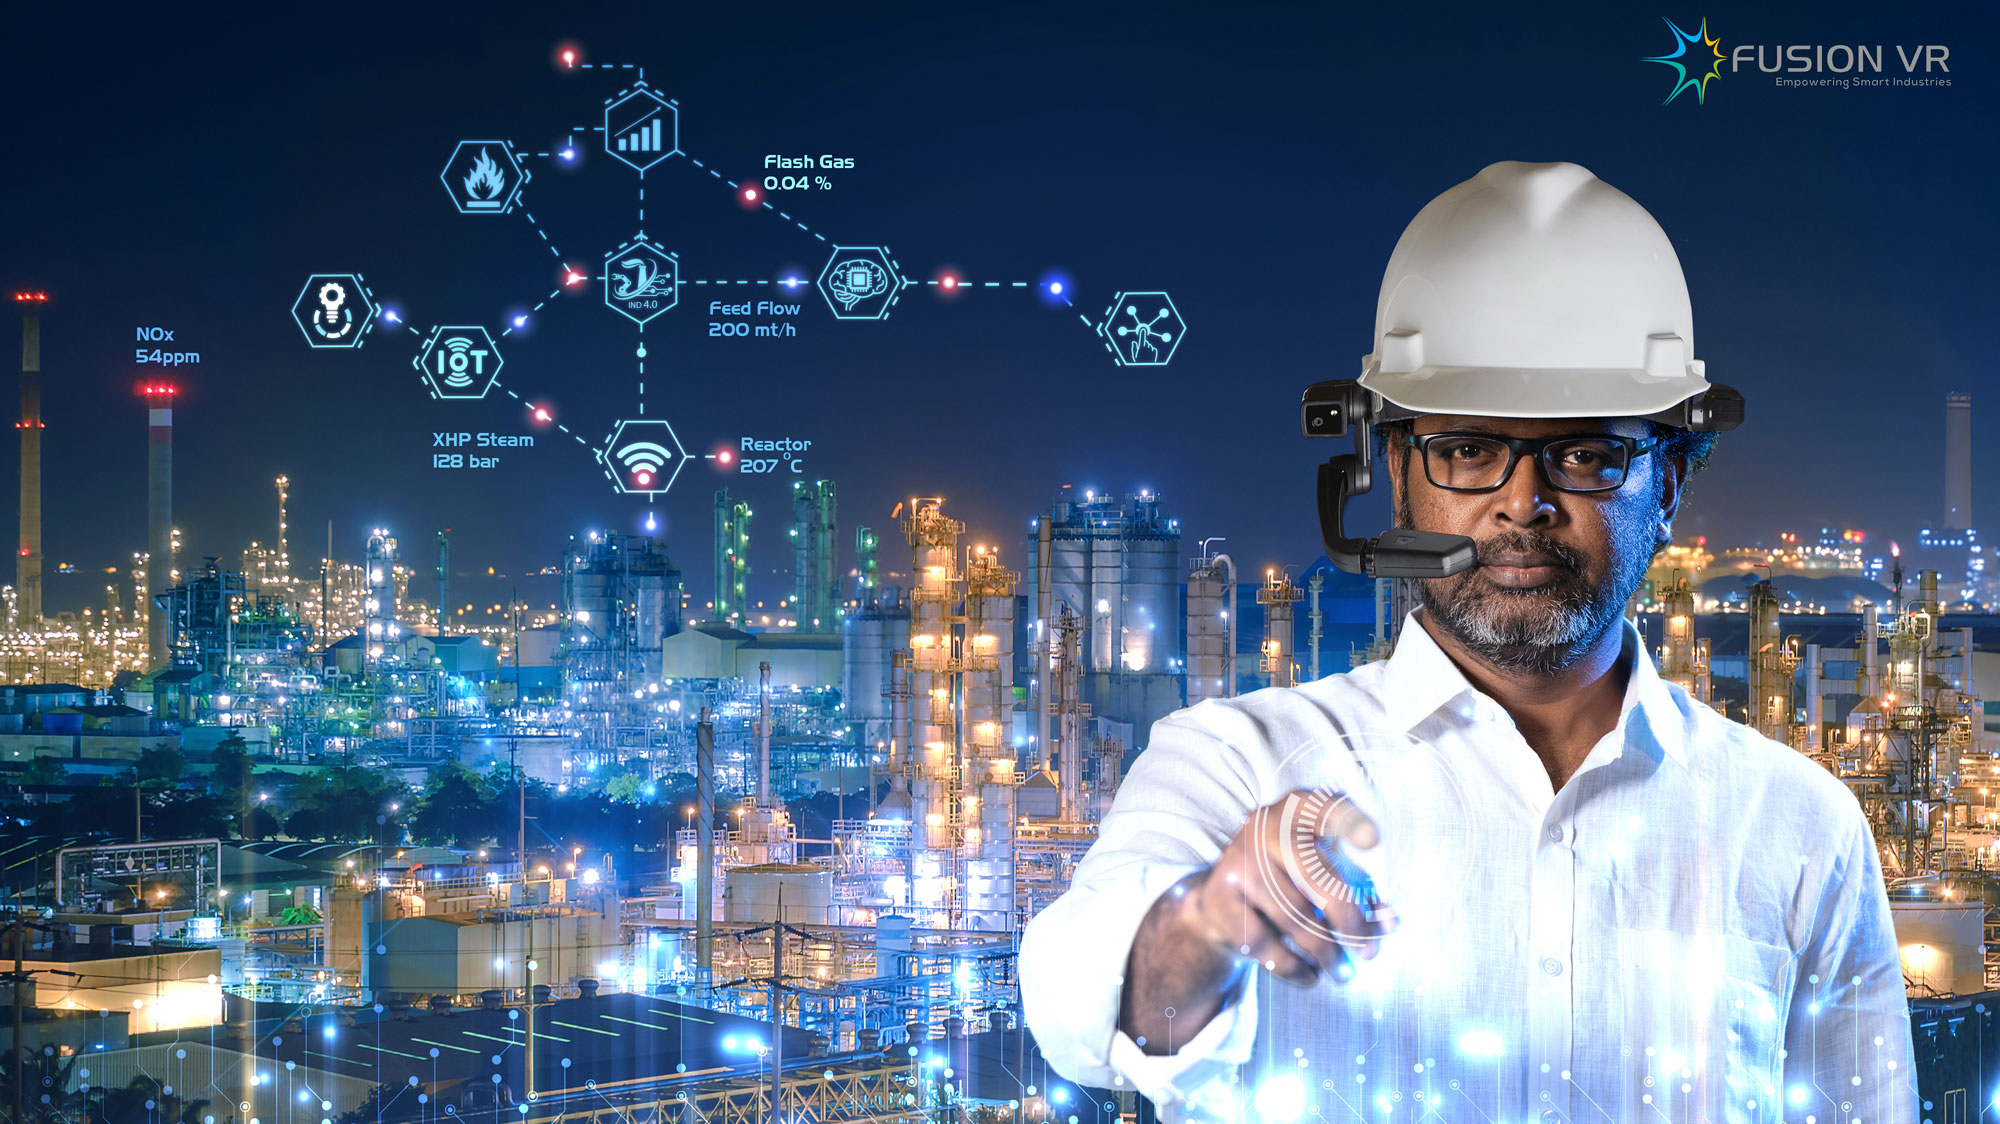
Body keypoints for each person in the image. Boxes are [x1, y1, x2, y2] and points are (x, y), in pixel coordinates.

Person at [1018, 161, 1918, 1124]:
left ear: (1668, 486)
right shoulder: (1239, 765)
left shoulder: (1799, 827)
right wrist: (1200, 926)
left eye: (1585, 453)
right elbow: (1078, 998)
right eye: (1468, 449)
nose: (1522, 503)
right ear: (1395, 472)